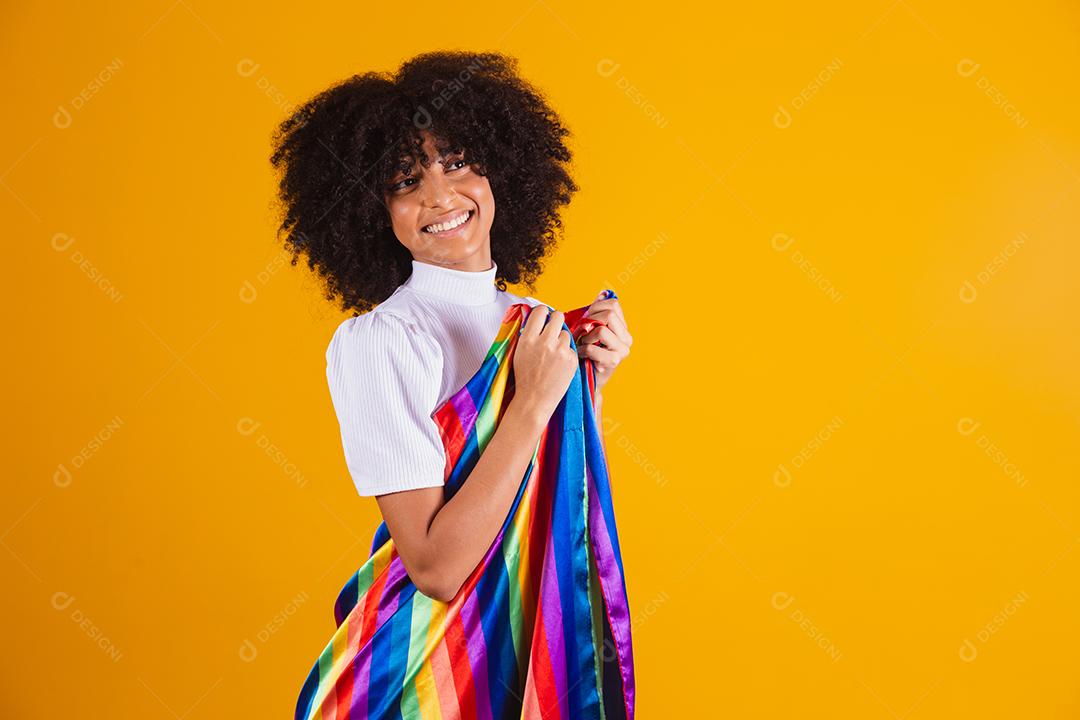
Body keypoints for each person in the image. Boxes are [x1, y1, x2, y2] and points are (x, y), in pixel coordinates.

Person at [270, 50, 633, 604]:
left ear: (498, 172)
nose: (439, 196)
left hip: (527, 627)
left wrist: (588, 387)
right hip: (436, 651)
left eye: (457, 162)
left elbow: (561, 509)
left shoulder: (531, 318)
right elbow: (436, 571)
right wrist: (533, 400)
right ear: (373, 211)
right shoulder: (384, 341)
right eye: (406, 180)